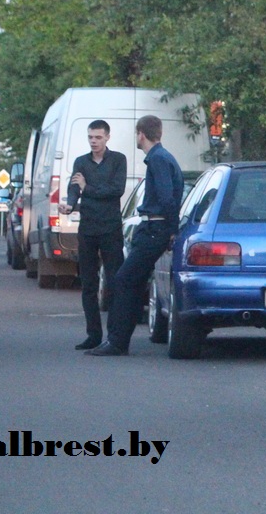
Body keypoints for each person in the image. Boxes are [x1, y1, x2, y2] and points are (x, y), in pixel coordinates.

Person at [86, 115, 184, 356]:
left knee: (123, 280)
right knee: (133, 280)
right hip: (154, 228)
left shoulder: (158, 160)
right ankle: (119, 340)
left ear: (141, 134)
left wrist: (171, 230)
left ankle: (117, 342)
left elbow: (166, 197)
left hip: (154, 229)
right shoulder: (163, 157)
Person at [59, 119, 127, 351]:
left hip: (110, 229)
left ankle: (115, 335)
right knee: (88, 283)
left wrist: (88, 188)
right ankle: (93, 334)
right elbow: (73, 188)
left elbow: (115, 191)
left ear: (107, 137)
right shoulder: (81, 162)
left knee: (114, 281)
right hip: (87, 228)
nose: (94, 142)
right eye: (90, 137)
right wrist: (69, 204)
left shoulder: (118, 160)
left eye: (98, 137)